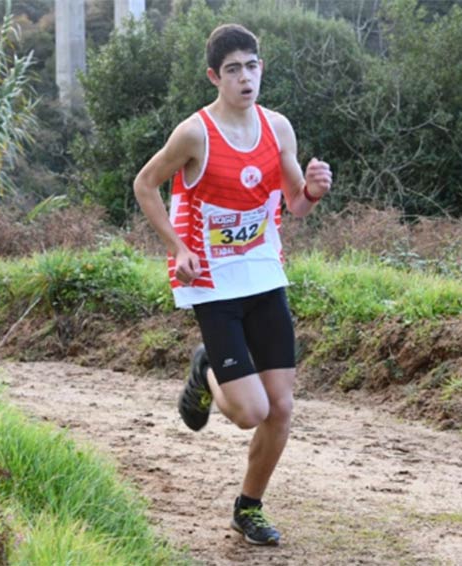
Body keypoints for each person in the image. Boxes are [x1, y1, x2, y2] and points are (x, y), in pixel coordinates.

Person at [133, 24, 332, 547]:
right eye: (233, 70)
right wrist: (178, 246)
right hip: (213, 283)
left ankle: (249, 507)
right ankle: (206, 367)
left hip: (264, 275)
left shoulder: (278, 129)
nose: (246, 78)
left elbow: (294, 204)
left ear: (261, 67)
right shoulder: (195, 133)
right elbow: (145, 184)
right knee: (250, 413)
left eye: (252, 66)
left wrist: (312, 191)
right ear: (214, 77)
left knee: (281, 408)